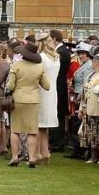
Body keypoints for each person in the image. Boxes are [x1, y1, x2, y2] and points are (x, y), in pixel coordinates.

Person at [5, 42, 50, 168]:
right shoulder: (40, 67)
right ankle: (32, 158)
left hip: (18, 99)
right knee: (32, 131)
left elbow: (10, 85)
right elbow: (47, 86)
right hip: (33, 101)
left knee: (15, 130)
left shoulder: (16, 66)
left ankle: (15, 157)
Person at [36, 35, 61, 164]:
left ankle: (40, 152)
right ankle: (45, 151)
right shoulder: (56, 57)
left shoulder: (41, 57)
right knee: (44, 126)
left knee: (39, 124)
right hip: (52, 91)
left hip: (42, 90)